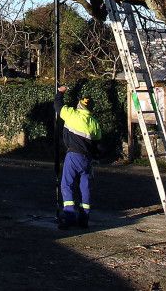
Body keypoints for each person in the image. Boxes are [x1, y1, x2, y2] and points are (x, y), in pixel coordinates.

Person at [56, 85, 102, 229]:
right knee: (85, 186)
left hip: (73, 155)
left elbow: (58, 106)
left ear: (79, 105)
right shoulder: (94, 123)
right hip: (87, 159)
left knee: (67, 184)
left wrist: (60, 93)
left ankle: (69, 216)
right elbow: (98, 143)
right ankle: (84, 217)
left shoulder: (72, 114)